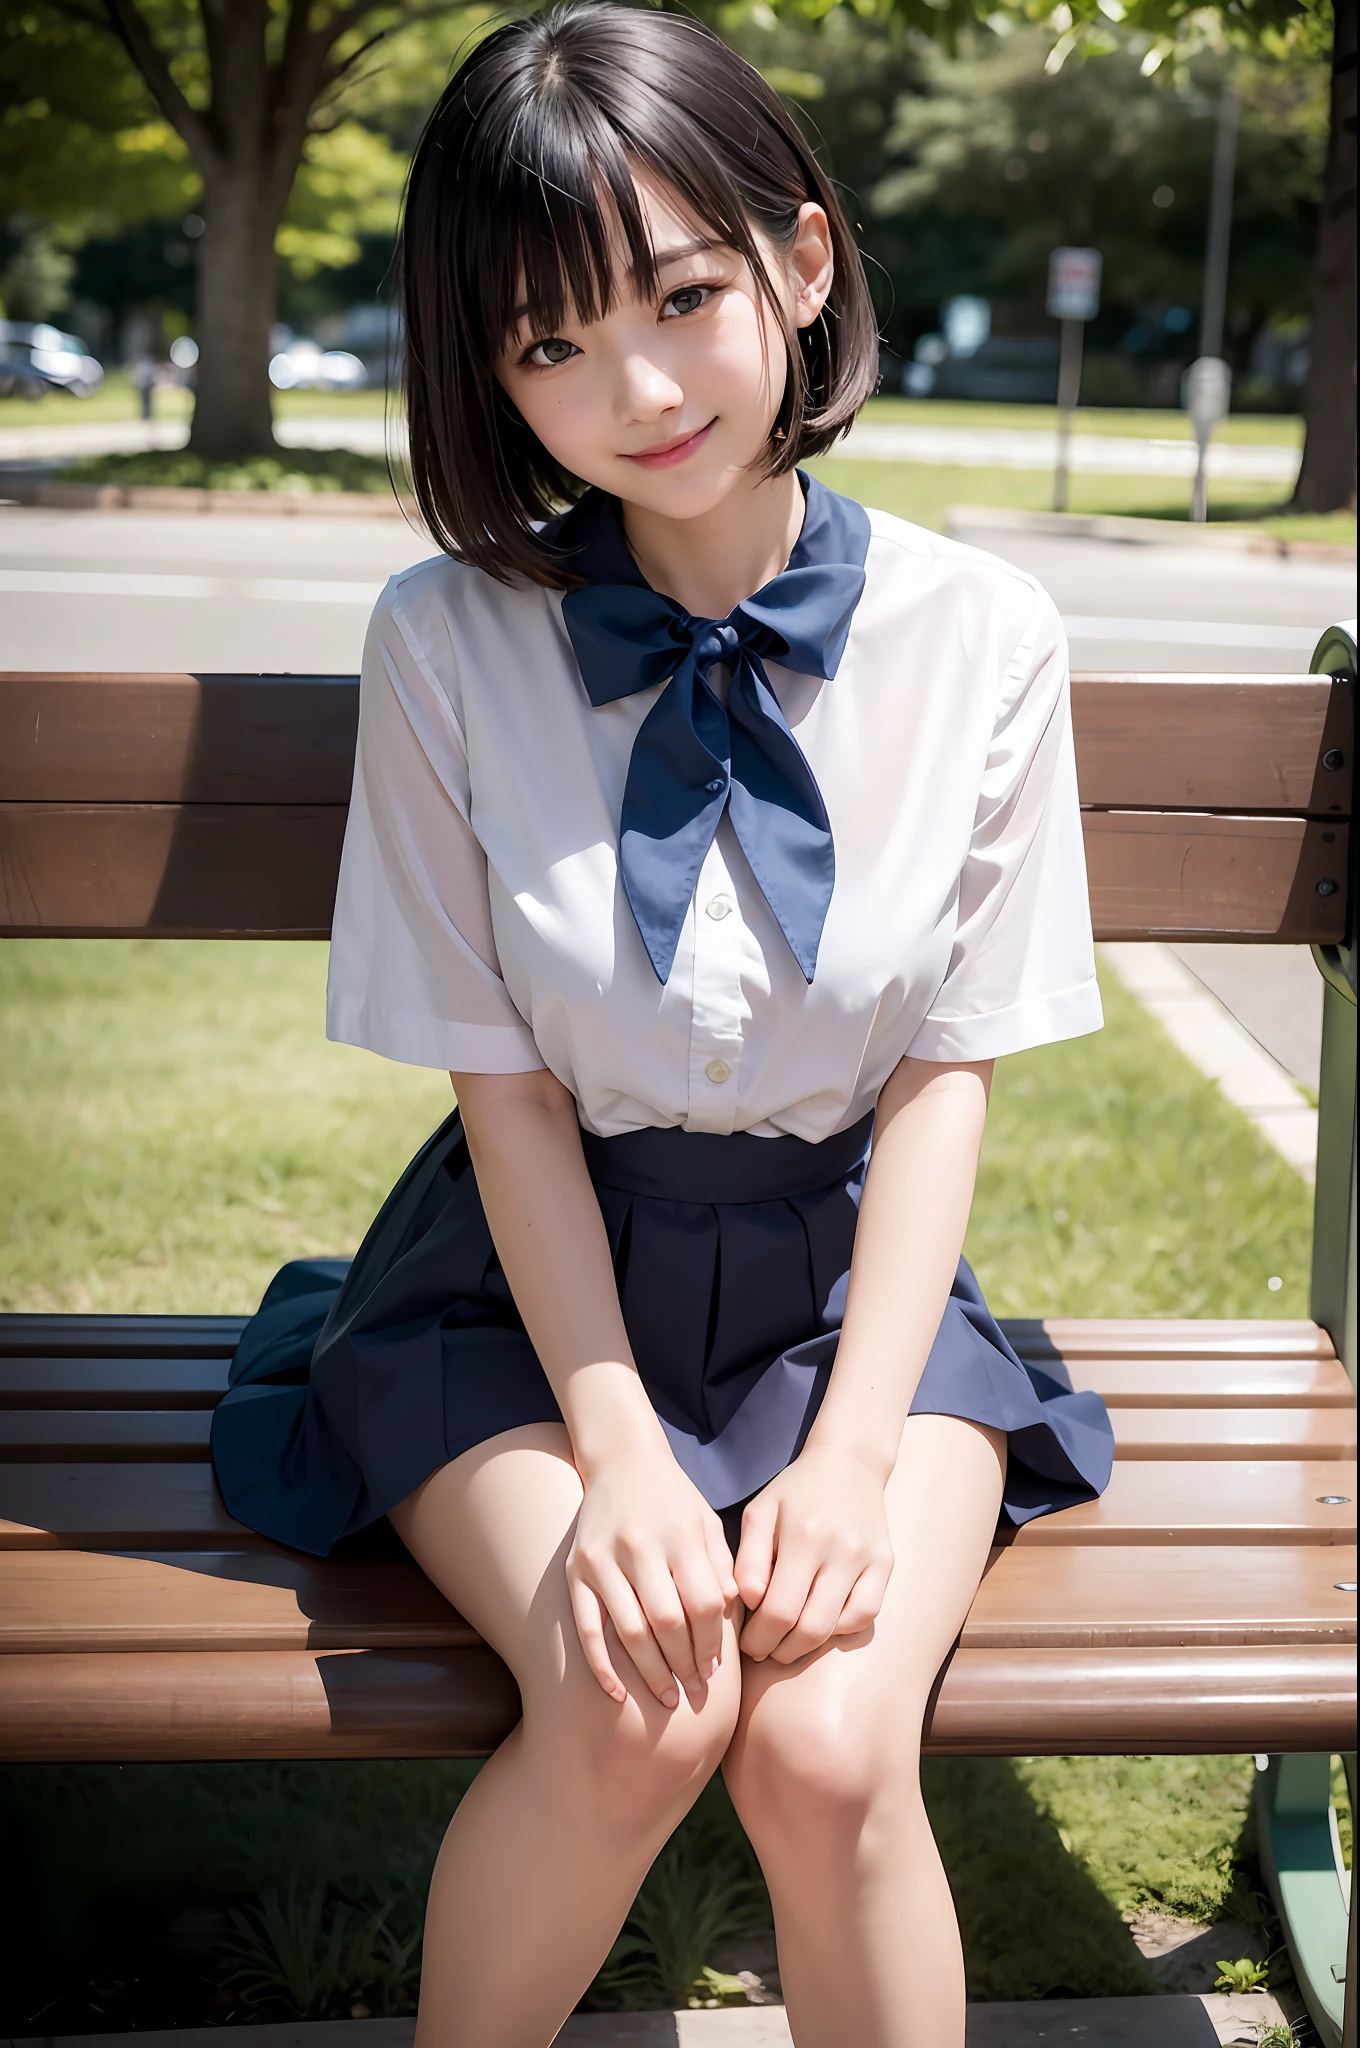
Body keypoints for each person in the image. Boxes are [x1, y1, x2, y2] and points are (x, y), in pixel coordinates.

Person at [210, 9, 1114, 2042]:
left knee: (813, 1746)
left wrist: (855, 1450)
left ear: (798, 266)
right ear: (484, 375)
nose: (630, 390)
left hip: (845, 1284)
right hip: (521, 1295)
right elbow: (505, 1092)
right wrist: (616, 1449)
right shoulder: (446, 645)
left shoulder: (979, 638)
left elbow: (944, 1077)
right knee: (640, 1706)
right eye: (543, 345)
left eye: (682, 297)